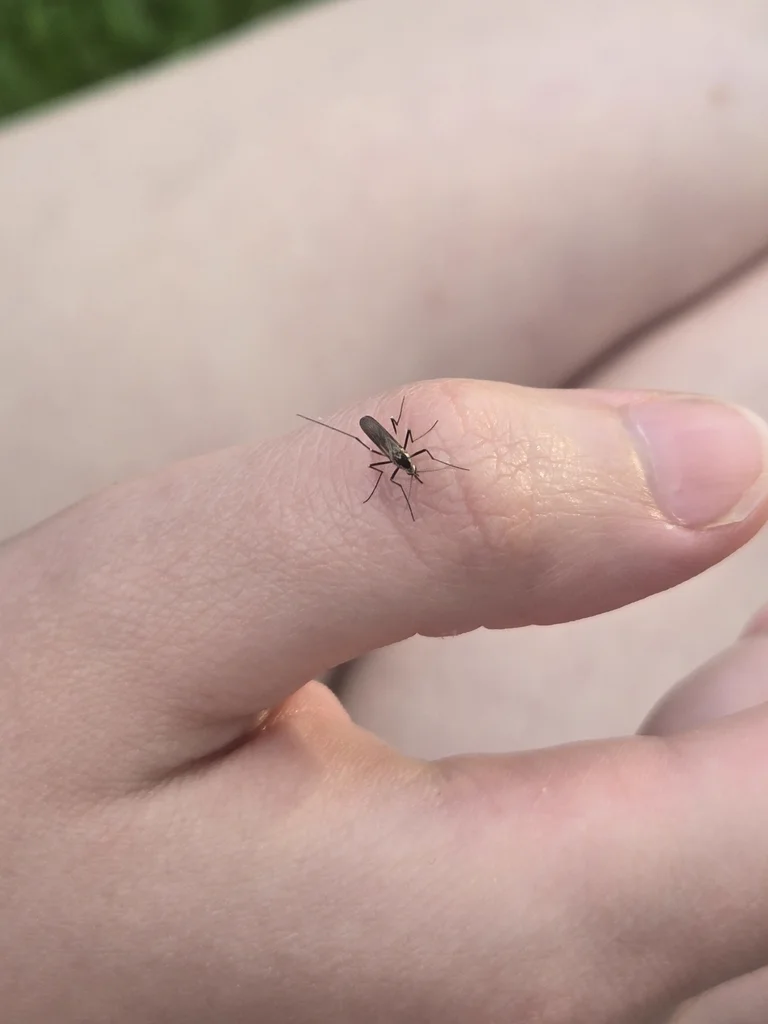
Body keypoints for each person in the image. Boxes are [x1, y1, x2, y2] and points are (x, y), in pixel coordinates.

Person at [2, 0, 768, 1020]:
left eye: (400, 460)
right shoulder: (387, 456)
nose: (400, 464)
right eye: (399, 462)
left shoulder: (408, 448)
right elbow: (385, 462)